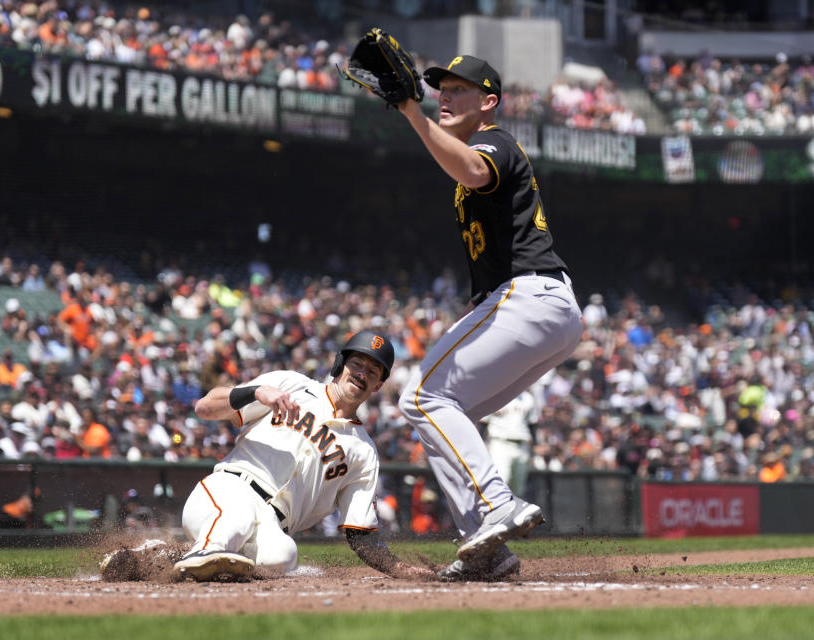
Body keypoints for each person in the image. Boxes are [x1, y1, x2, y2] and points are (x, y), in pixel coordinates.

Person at [394, 55, 584, 581]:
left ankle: (496, 504)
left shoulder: (494, 141)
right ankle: (486, 547)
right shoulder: (473, 143)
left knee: (421, 396)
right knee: (443, 411)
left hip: (530, 295)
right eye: (440, 89)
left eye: (458, 89)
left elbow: (474, 169)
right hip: (543, 308)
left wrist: (411, 111)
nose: (445, 96)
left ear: (489, 102)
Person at [172, 330, 428, 581]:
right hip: (230, 489)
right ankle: (207, 549)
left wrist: (405, 570)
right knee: (236, 518)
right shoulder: (291, 385)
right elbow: (204, 407)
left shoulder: (364, 452)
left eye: (372, 372)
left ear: (379, 385)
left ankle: (169, 555)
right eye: (357, 364)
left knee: (282, 555)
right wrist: (256, 391)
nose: (362, 374)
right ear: (340, 364)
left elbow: (361, 534)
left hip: (273, 521)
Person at [483, 390, 536, 498]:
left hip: (522, 445)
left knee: (519, 488)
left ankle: (514, 513)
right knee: (501, 482)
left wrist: (534, 448)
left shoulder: (528, 398)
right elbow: (483, 423)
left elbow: (532, 424)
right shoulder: (494, 395)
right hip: (500, 443)